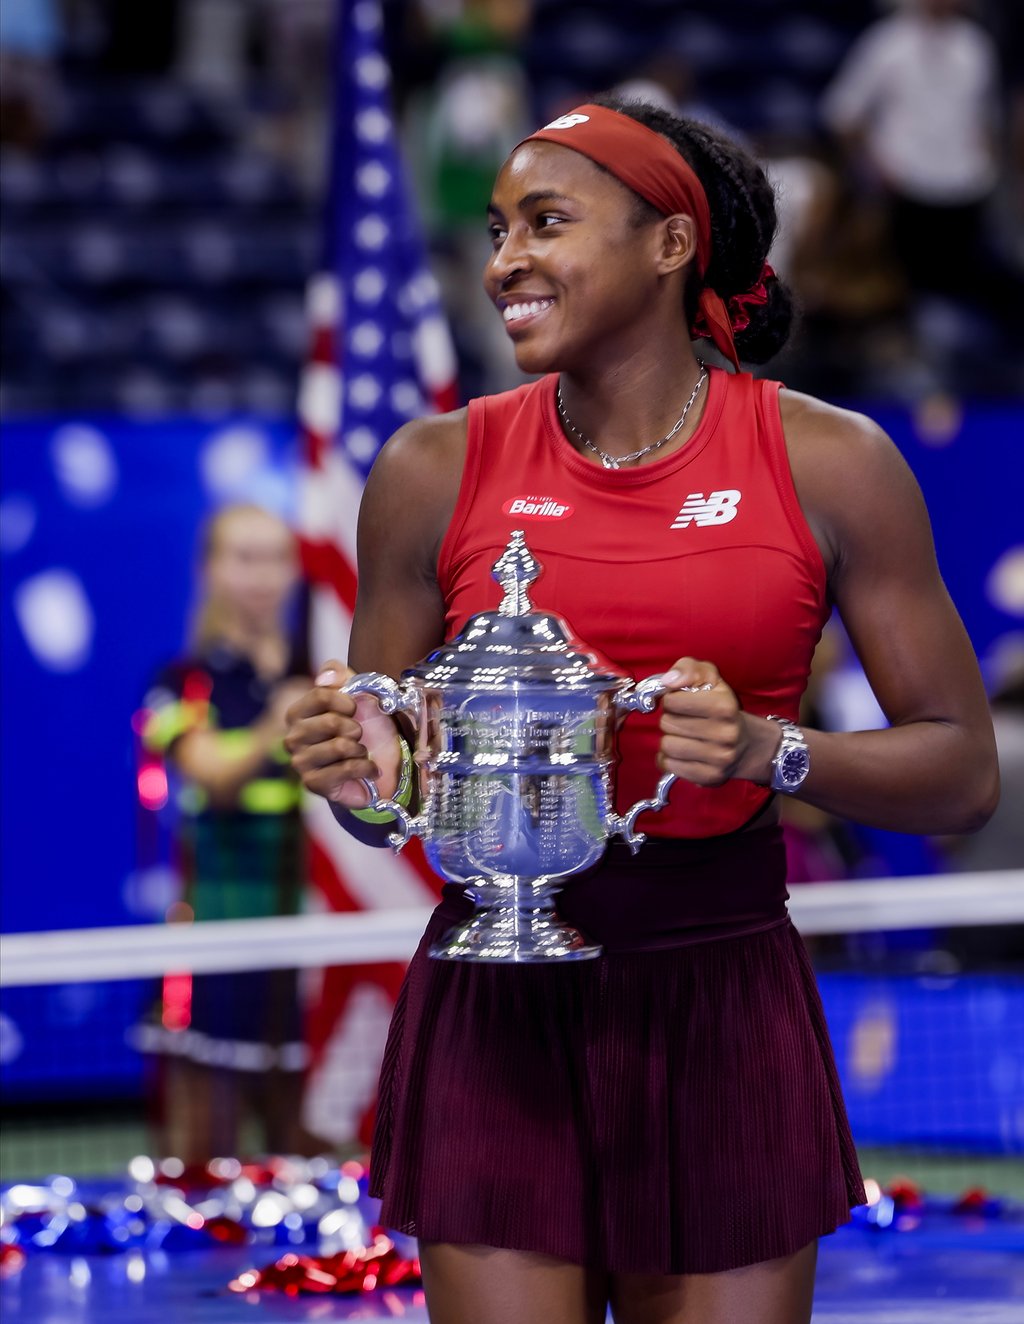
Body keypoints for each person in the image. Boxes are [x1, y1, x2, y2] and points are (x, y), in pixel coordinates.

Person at [284, 96, 998, 1324]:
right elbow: (389, 794)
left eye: (546, 221)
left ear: (670, 244)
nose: (505, 256)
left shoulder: (833, 462)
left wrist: (769, 750)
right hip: (496, 1009)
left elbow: (960, 770)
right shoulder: (426, 470)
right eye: (501, 228)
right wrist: (364, 780)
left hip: (720, 1001)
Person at [138, 503, 314, 1162]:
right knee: (204, 1150)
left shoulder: (323, 669)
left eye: (276, 556)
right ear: (211, 569)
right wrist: (281, 718)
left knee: (306, 1142)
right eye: (243, 557)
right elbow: (212, 777)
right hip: (218, 928)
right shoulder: (182, 682)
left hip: (310, 936)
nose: (262, 575)